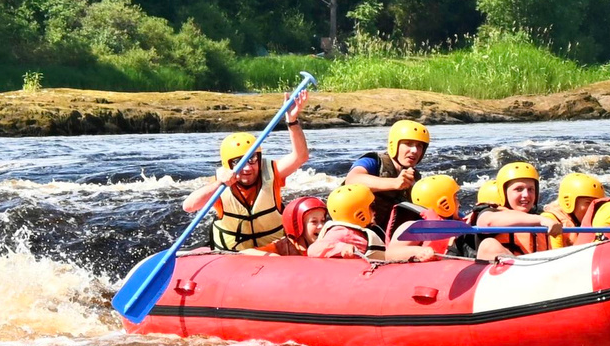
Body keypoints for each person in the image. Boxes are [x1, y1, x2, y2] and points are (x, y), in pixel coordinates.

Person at [182, 105, 311, 253]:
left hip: (274, 251)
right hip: (234, 256)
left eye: (252, 159)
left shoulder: (272, 173)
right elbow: (188, 206)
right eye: (239, 163)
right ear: (228, 164)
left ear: (259, 158)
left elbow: (301, 156)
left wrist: (292, 121)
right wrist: (218, 184)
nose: (248, 168)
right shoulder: (219, 184)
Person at [343, 119, 432, 223]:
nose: (415, 151)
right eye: (408, 144)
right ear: (393, 144)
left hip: (390, 234)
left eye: (419, 146)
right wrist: (395, 183)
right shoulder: (373, 162)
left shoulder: (415, 177)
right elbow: (351, 180)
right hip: (364, 230)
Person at [472, 160, 554, 254]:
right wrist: (540, 220)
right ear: (504, 193)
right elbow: (487, 223)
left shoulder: (542, 214)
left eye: (531, 189)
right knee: (489, 245)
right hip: (505, 267)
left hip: (540, 266)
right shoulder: (489, 212)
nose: (526, 194)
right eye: (518, 189)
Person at [383, 174, 463, 259]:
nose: (459, 204)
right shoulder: (415, 226)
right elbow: (391, 254)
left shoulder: (459, 222)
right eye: (455, 198)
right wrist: (418, 251)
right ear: (444, 203)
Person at [308, 181, 384, 258]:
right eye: (372, 206)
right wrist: (342, 248)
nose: (375, 211)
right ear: (359, 213)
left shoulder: (364, 230)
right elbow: (314, 249)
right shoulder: (343, 232)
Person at [549, 171, 610, 245]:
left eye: (597, 204)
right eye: (588, 203)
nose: (593, 208)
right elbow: (555, 254)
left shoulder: (596, 222)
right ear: (568, 202)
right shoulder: (552, 220)